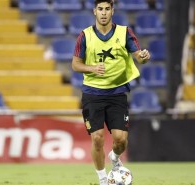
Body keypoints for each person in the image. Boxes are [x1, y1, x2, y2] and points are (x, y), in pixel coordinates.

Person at [71, 0, 151, 184]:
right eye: (100, 9)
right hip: (93, 94)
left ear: (112, 11)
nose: (104, 13)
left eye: (107, 9)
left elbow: (138, 55)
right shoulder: (85, 36)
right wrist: (91, 68)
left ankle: (114, 157)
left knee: (120, 140)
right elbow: (75, 64)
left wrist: (144, 57)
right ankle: (102, 179)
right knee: (97, 138)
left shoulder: (124, 33)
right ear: (94, 11)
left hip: (117, 93)